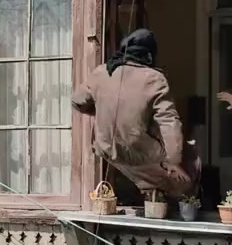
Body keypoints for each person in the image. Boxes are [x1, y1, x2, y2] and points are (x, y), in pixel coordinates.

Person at [72, 29, 200, 198]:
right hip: (139, 152)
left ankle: (150, 189)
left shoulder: (102, 72)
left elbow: (77, 102)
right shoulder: (154, 79)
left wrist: (103, 112)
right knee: (190, 162)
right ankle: (170, 196)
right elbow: (169, 123)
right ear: (149, 53)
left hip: (105, 148)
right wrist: (173, 162)